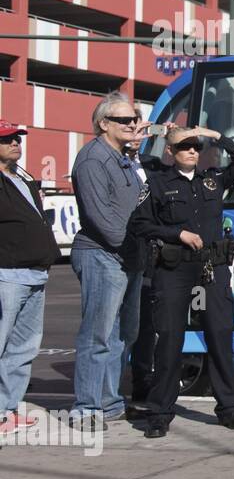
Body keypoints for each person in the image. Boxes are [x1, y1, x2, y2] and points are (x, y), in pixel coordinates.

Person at [129, 126, 234, 438]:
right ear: (170, 152)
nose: (192, 151)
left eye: (196, 146)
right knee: (170, 339)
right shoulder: (157, 184)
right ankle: (159, 413)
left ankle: (229, 408)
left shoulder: (213, 179)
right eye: (184, 146)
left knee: (220, 335)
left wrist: (213, 135)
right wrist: (177, 234)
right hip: (174, 268)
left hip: (213, 266)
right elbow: (140, 224)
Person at [69, 94, 151, 430]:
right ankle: (86, 407)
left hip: (129, 256)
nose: (132, 125)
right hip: (102, 255)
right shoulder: (92, 160)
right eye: (124, 121)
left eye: (134, 119)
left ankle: (109, 402)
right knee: (97, 335)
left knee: (124, 334)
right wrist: (134, 248)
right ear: (104, 124)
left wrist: (136, 150)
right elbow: (103, 220)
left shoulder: (124, 158)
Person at [0, 121, 62, 435]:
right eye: (6, 139)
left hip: (35, 274)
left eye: (16, 138)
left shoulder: (22, 177)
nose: (15, 143)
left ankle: (7, 410)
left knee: (23, 348)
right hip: (7, 275)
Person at [121, 110, 173, 416]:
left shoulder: (153, 166)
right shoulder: (115, 161)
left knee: (146, 320)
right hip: (124, 250)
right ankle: (114, 386)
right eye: (132, 128)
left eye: (142, 128)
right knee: (122, 322)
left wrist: (169, 136)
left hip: (151, 252)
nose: (138, 133)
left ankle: (142, 377)